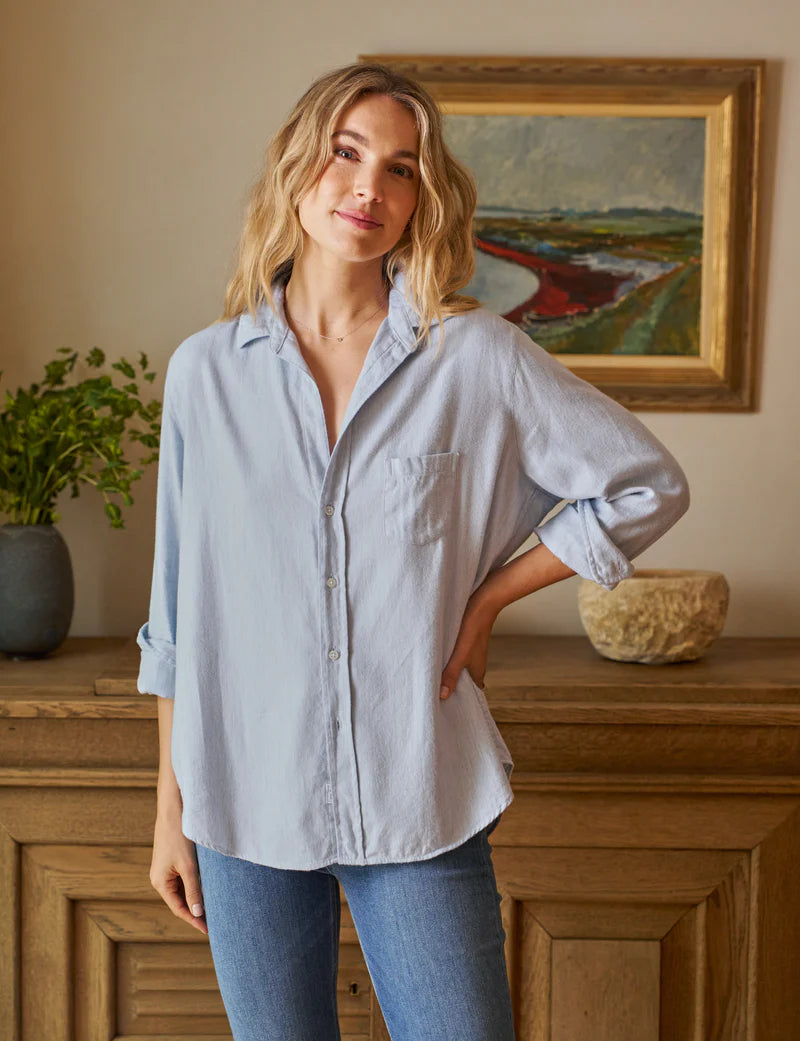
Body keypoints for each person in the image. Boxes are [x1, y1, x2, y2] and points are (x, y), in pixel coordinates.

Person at [136, 61, 691, 1041]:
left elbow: (642, 484)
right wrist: (167, 810)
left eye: (399, 169)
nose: (367, 188)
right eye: (346, 154)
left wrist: (488, 598)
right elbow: (179, 616)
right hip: (241, 806)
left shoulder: (469, 357)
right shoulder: (205, 374)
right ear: (296, 166)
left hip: (417, 796)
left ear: (420, 200)